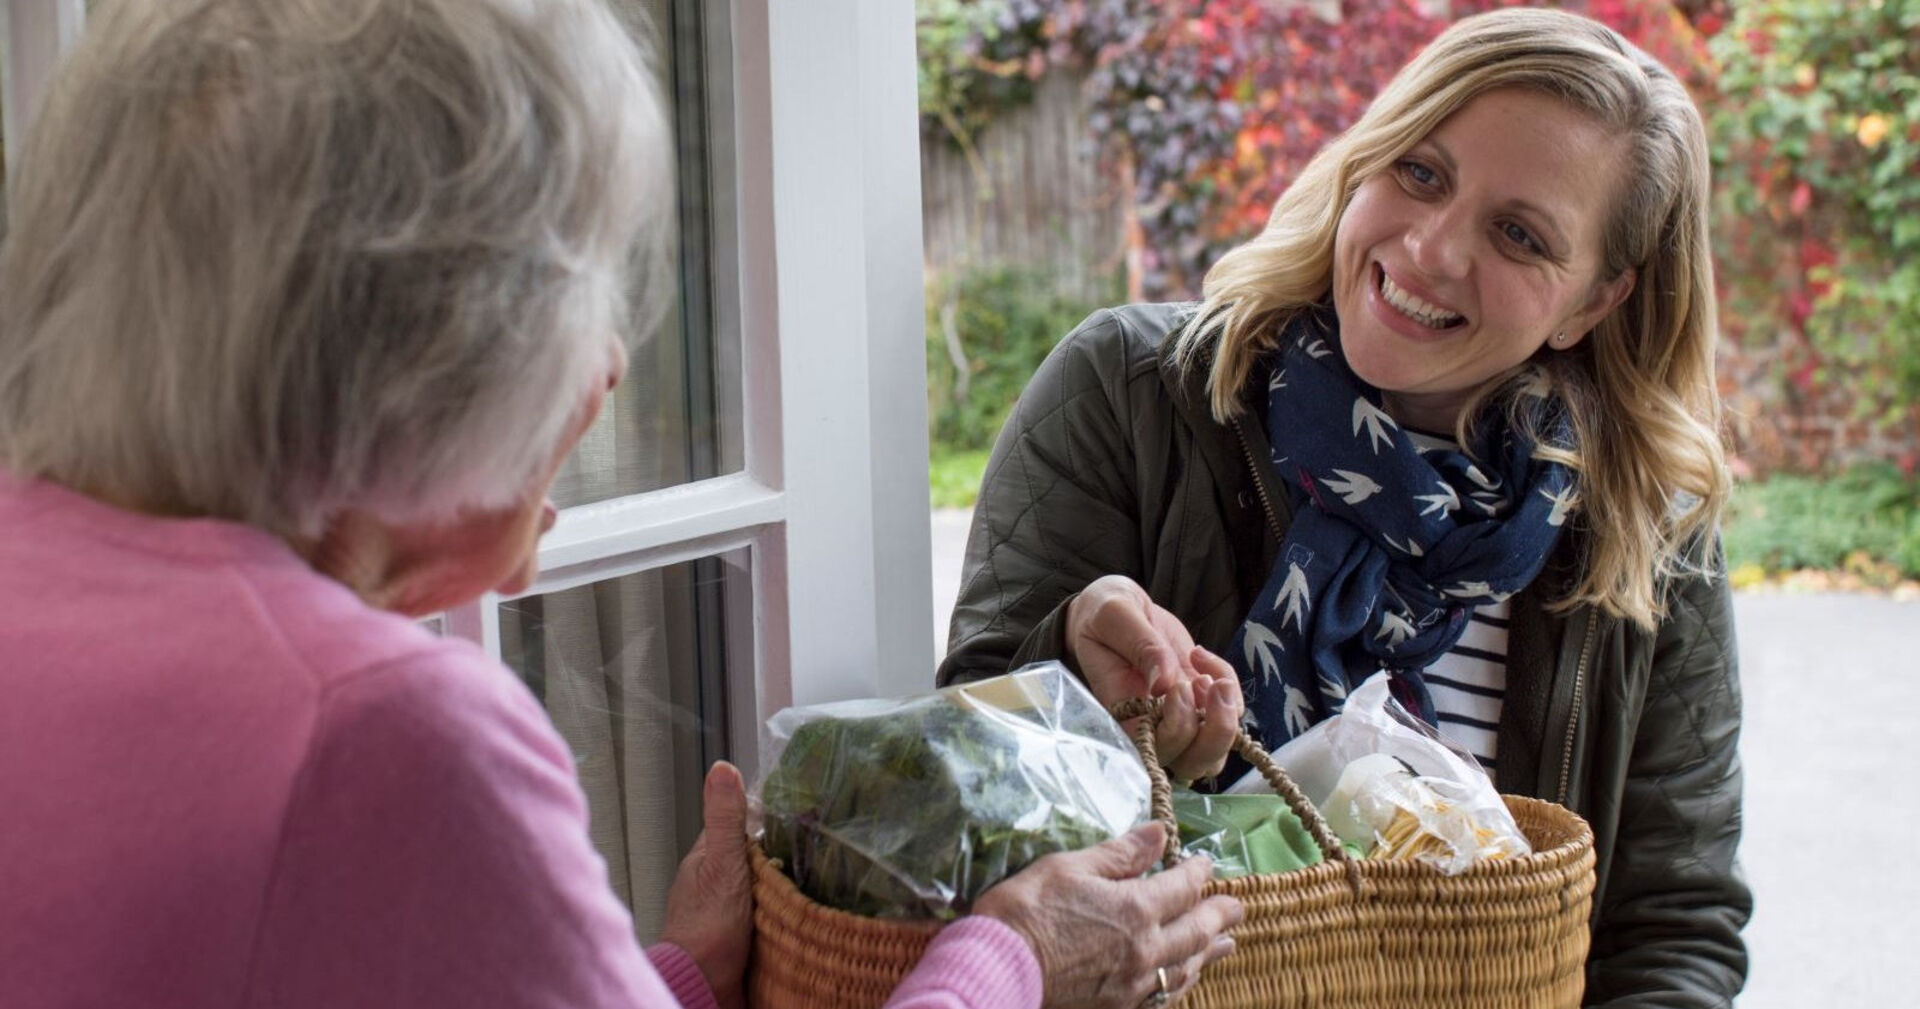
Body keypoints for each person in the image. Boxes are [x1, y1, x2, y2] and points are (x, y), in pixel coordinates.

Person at [0, 2, 1241, 1008]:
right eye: (585, 279)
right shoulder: (390, 737)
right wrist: (1013, 960)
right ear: (430, 342)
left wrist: (677, 976)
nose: (608, 365)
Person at [939, 8, 1750, 1007]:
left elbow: (1674, 926)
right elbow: (957, 789)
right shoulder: (1130, 394)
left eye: (1519, 234)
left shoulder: (1645, 527)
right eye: (1421, 172)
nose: (1432, 249)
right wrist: (1074, 666)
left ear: (1593, 302)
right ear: (1366, 159)